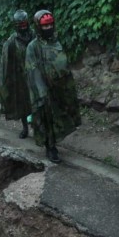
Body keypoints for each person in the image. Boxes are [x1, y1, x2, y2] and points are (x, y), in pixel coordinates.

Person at [25, 10, 81, 163]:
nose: (48, 28)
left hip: (60, 88)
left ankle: (55, 141)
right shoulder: (33, 46)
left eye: (50, 25)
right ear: (38, 27)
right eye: (45, 26)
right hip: (44, 91)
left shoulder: (56, 42)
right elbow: (32, 69)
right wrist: (41, 91)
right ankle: (50, 147)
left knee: (60, 116)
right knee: (47, 118)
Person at [0, 9, 34, 139]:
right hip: (21, 79)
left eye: (25, 23)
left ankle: (39, 127)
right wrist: (6, 81)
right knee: (23, 104)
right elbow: (6, 62)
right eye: (21, 24)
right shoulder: (12, 41)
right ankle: (25, 128)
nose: (23, 26)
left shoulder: (35, 36)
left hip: (36, 76)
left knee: (38, 102)